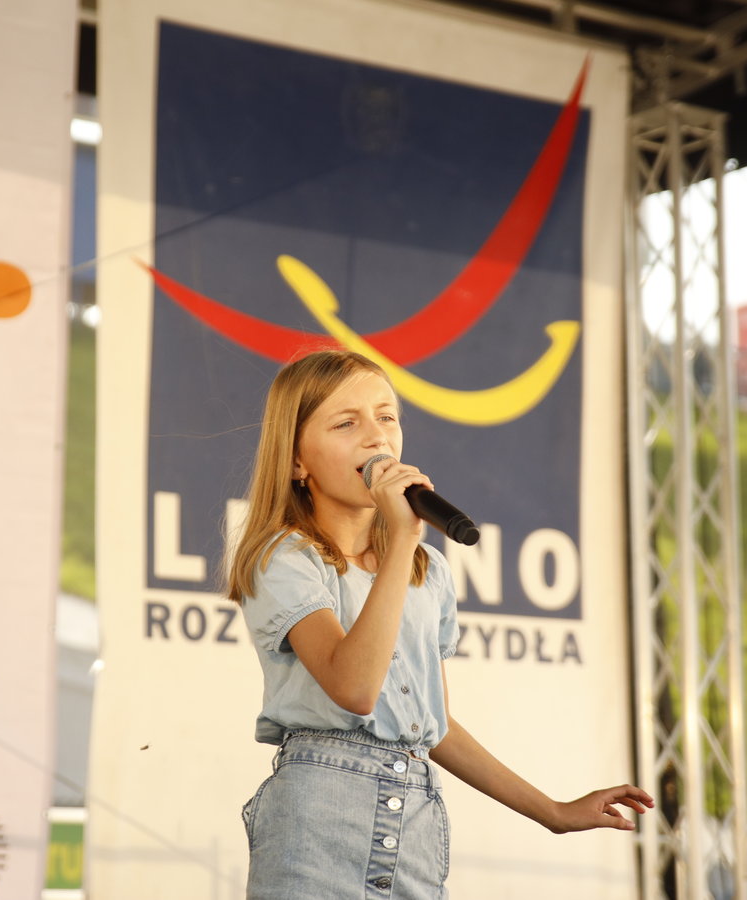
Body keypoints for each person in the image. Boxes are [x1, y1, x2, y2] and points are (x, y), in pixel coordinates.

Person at [226, 349, 653, 898]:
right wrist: (404, 537)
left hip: (416, 823)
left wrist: (552, 811)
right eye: (346, 423)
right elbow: (354, 688)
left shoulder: (426, 571)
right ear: (295, 461)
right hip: (319, 818)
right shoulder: (286, 558)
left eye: (386, 416)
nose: (376, 437)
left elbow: (434, 725)